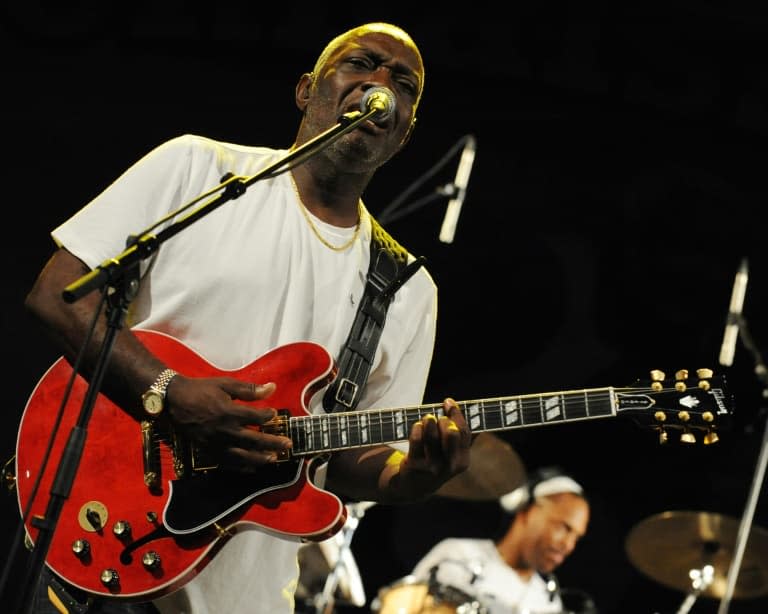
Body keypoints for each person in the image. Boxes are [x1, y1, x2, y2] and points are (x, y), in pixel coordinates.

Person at [21, 22, 471, 614]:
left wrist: (414, 476)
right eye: (360, 62)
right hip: (105, 541)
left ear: (404, 131)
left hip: (245, 595)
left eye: (404, 83)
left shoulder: (408, 290)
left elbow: (351, 460)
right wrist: (170, 393)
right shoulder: (198, 170)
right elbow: (58, 294)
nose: (380, 82)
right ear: (307, 90)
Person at [407, 467, 591, 614]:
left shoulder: (548, 603)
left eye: (576, 537)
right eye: (564, 527)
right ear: (526, 509)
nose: (568, 545)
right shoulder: (457, 556)